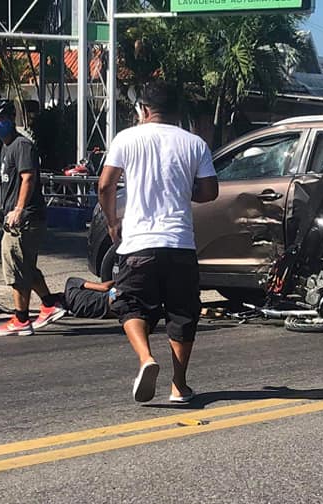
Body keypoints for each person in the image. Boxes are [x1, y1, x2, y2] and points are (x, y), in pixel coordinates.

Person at [97, 81, 219, 404]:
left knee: (130, 302)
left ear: (144, 110)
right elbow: (210, 192)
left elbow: (105, 186)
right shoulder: (195, 144)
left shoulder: (126, 138)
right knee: (182, 313)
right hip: (180, 243)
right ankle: (179, 385)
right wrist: (184, 191)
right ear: (177, 112)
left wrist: (112, 223)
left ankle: (145, 358)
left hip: (138, 244)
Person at [0, 98, 66, 337]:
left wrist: (18, 209)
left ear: (11, 119)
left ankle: (21, 319)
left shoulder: (21, 146)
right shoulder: (7, 147)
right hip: (15, 217)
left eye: (0, 119)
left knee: (16, 268)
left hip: (25, 218)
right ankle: (50, 304)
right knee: (26, 266)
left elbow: (28, 178)